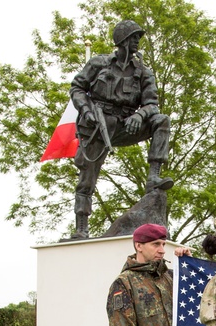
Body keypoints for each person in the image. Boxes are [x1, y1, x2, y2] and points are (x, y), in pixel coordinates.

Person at [69, 20, 173, 239]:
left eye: (138, 37)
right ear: (122, 40)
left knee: (161, 120)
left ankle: (153, 176)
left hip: (127, 124)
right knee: (87, 178)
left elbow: (152, 103)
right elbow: (78, 87)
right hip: (98, 125)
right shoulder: (99, 63)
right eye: (133, 37)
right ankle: (81, 227)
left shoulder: (143, 72)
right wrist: (86, 111)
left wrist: (140, 114)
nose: (137, 41)